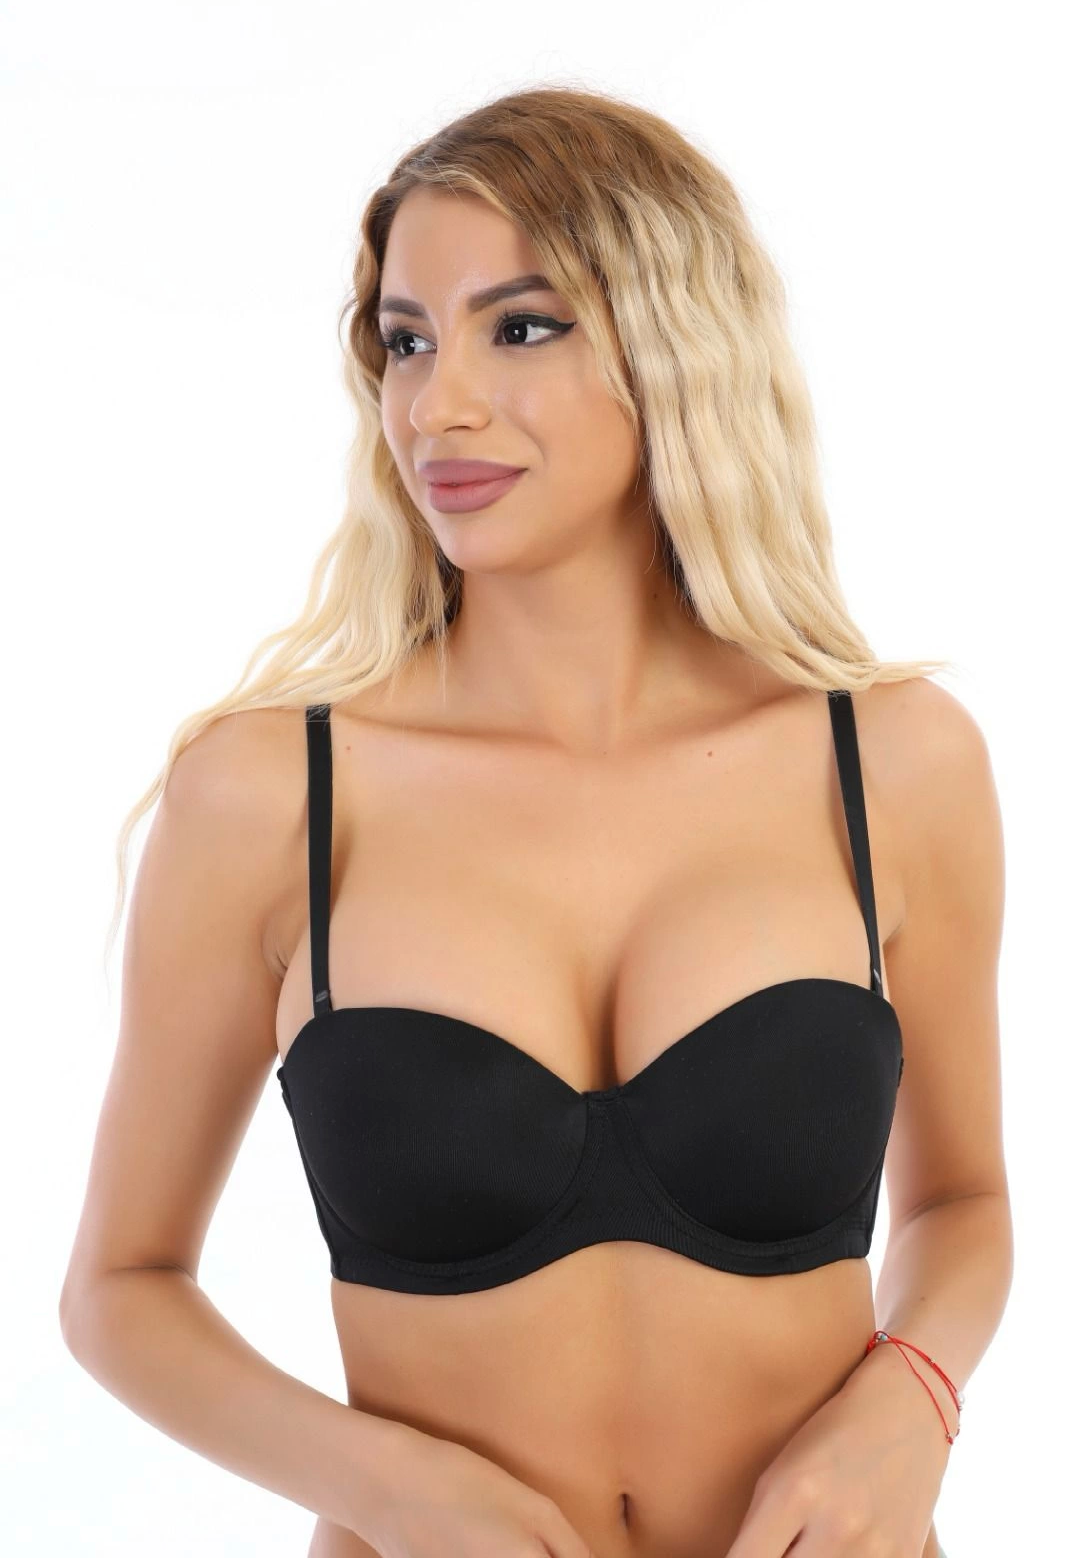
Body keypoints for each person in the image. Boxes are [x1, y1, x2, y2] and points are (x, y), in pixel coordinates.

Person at [59, 85, 1011, 1558]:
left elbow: (959, 1200)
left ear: (674, 344)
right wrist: (388, 1487)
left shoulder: (887, 762)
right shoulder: (272, 795)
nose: (435, 405)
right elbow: (119, 1289)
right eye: (405, 340)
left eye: (520, 327)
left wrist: (912, 1403)